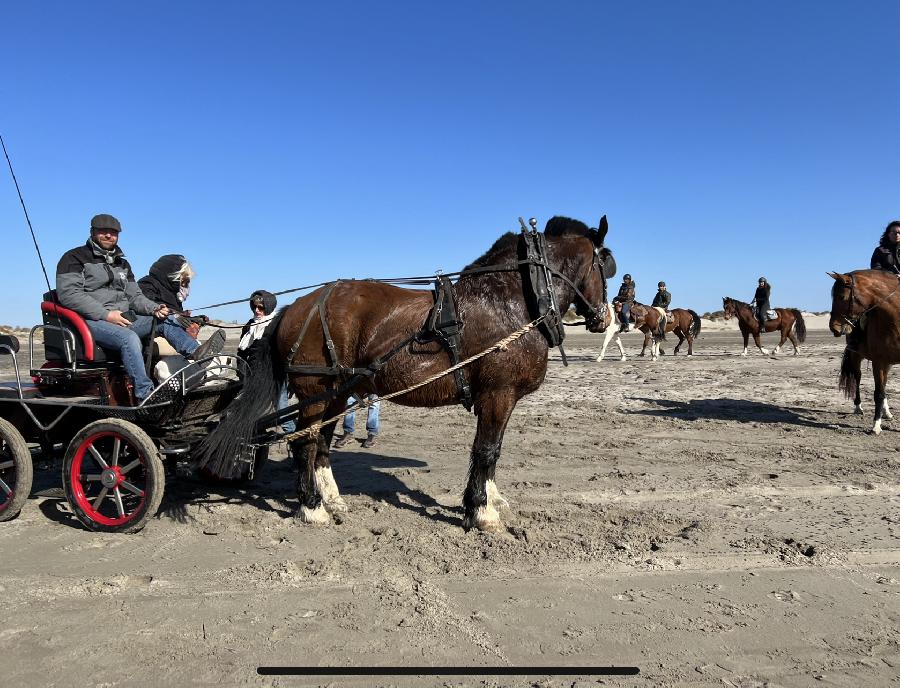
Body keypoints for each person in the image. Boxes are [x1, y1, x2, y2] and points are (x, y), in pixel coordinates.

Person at [55, 213, 223, 403]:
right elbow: (69, 294)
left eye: (113, 233)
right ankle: (145, 394)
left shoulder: (122, 263)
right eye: (103, 232)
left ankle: (197, 353)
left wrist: (154, 308)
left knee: (163, 319)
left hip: (124, 318)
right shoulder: (73, 258)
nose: (109, 236)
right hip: (90, 321)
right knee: (129, 338)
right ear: (92, 232)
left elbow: (134, 296)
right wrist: (107, 315)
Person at [238, 290, 295, 434]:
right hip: (252, 375)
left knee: (282, 410)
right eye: (254, 307)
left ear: (269, 307)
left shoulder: (277, 324)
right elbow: (242, 352)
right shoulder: (250, 325)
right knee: (252, 411)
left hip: (274, 375)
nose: (257, 311)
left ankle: (295, 438)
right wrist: (242, 372)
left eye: (261, 308)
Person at [138, 254, 210, 347]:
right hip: (148, 336)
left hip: (165, 334)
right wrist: (174, 314)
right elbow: (149, 305)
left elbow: (177, 317)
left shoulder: (172, 294)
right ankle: (196, 351)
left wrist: (193, 320)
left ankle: (202, 353)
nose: (185, 286)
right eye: (183, 281)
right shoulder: (147, 284)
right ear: (173, 277)